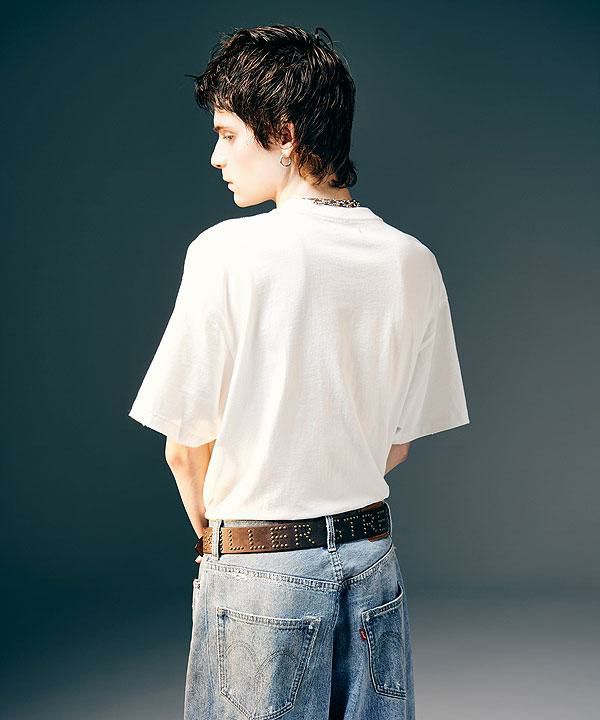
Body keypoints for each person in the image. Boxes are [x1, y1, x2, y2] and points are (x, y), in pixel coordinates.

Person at [128, 24, 469, 720]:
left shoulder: (225, 254)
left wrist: (223, 548)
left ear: (283, 134)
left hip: (261, 572)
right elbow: (396, 445)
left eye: (228, 134)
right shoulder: (413, 261)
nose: (217, 156)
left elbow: (183, 450)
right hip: (373, 565)